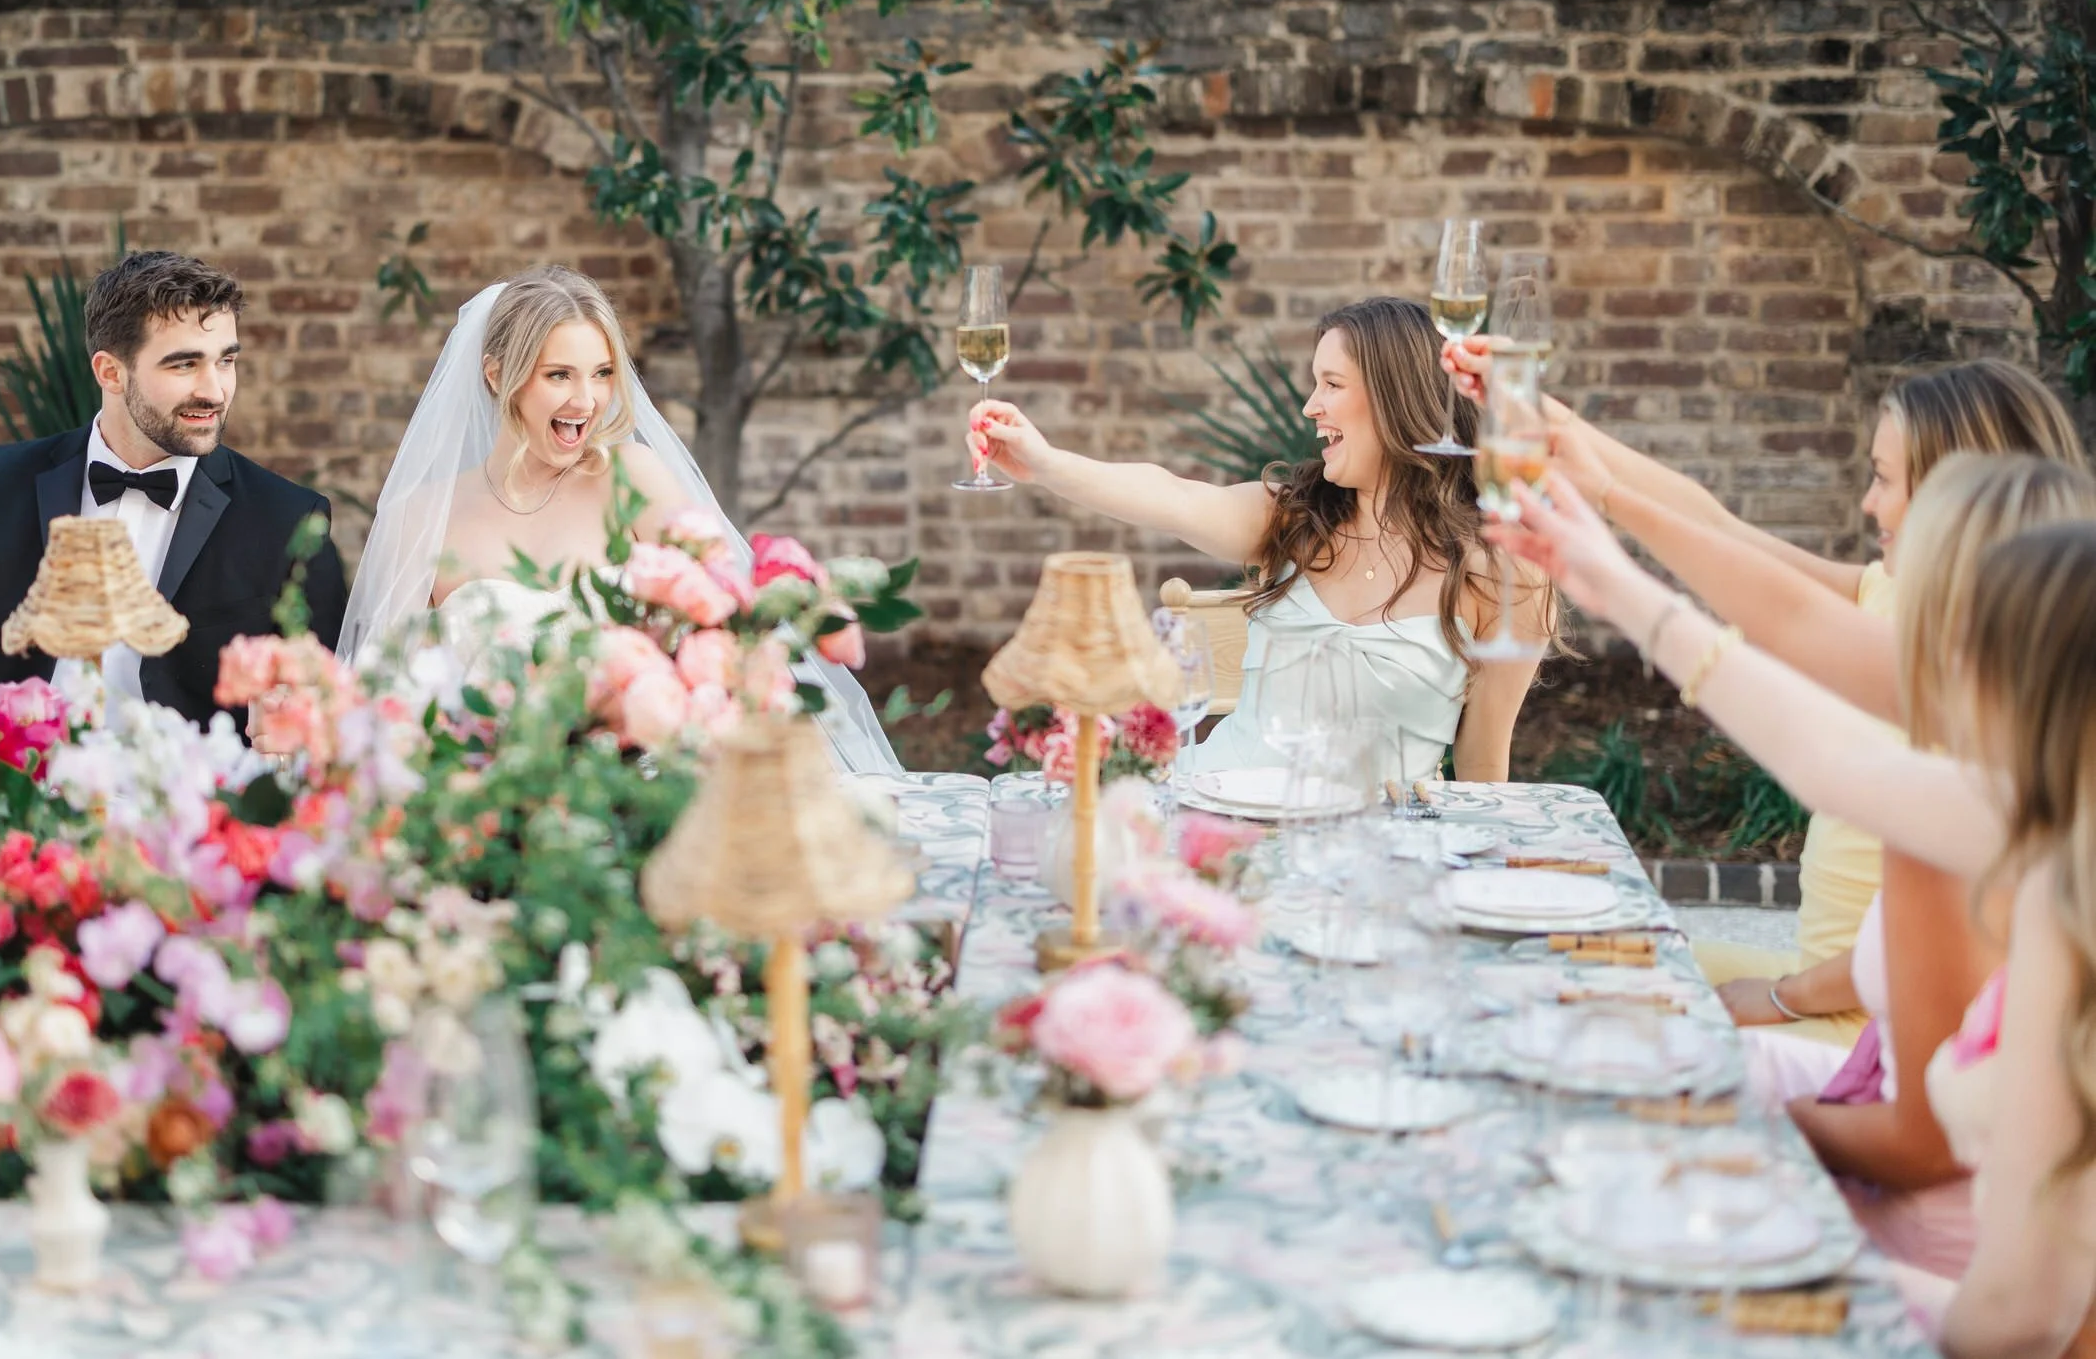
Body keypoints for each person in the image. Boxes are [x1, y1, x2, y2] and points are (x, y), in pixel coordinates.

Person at [1490, 472, 2096, 1354]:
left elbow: (2020, 1317)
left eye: (1959, 652)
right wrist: (1612, 581)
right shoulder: (2045, 822)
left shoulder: (2063, 899)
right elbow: (1830, 761)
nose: (1918, 674)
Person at [1450, 343, 2082, 1049]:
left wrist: (1781, 998)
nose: (1867, 500)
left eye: (1882, 477)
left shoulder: (1990, 679)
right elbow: (1724, 534)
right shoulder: (1893, 597)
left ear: (1954, 498)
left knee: (1584, 1013)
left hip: (1869, 1021)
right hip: (1825, 980)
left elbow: (1926, 938)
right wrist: (1561, 434)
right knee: (1559, 957)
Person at [341, 265, 902, 776]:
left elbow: (730, 638)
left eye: (602, 373)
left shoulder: (633, 478)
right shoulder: (421, 517)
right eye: (559, 375)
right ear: (496, 375)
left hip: (649, 785)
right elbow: (388, 699)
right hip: (491, 794)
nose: (587, 401)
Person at [965, 295, 1548, 783]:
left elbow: (1481, 768)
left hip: (1368, 863)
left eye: (1331, 383)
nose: (1310, 406)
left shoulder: (1503, 573)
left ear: (1398, 398)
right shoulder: (1293, 520)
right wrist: (1043, 462)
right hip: (1210, 818)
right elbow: (1174, 496)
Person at [0, 252, 348, 729]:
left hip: (186, 803)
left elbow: (324, 709)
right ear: (110, 372)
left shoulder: (289, 519)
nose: (214, 390)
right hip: (20, 795)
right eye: (184, 365)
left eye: (225, 360)